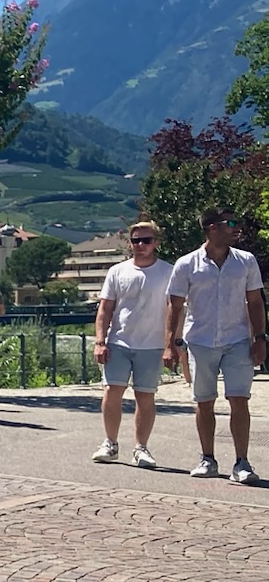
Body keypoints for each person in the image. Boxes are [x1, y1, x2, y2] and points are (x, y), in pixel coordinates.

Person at [164, 205, 265, 483]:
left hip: (237, 339)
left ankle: (242, 462)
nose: (237, 228)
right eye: (230, 223)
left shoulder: (246, 261)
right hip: (200, 341)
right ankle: (207, 458)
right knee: (204, 401)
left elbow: (255, 302)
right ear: (212, 228)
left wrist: (260, 338)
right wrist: (170, 344)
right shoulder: (187, 264)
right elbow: (174, 305)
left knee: (239, 399)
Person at [92, 221, 172, 468]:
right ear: (130, 243)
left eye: (146, 240)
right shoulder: (118, 271)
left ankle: (141, 448)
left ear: (156, 243)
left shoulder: (168, 272)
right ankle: (110, 443)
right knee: (112, 391)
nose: (140, 245)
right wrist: (100, 341)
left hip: (152, 344)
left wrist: (172, 344)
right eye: (136, 240)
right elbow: (105, 308)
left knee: (145, 396)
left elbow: (174, 310)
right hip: (119, 341)